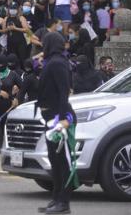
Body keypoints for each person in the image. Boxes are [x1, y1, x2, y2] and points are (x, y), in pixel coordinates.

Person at [36, 32, 78, 214]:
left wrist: (61, 119)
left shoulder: (58, 63)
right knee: (54, 160)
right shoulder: (51, 61)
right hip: (50, 117)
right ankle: (56, 198)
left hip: (59, 118)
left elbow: (64, 92)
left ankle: (64, 202)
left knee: (63, 161)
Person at [0, 54, 22, 156]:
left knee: (5, 127)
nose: (0, 66)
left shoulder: (13, 74)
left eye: (2, 64)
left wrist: (17, 98)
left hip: (8, 106)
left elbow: (23, 87)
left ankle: (4, 146)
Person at [4, 2, 29, 68]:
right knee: (11, 60)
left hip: (20, 42)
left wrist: (15, 28)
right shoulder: (6, 18)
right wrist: (8, 29)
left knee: (22, 59)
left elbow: (26, 30)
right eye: (11, 8)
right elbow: (4, 31)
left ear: (18, 10)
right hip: (10, 42)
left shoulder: (21, 18)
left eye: (14, 8)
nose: (12, 10)